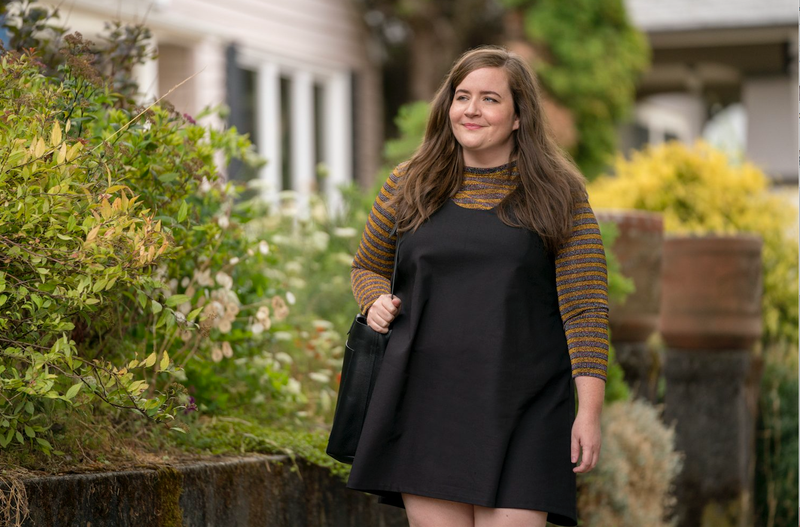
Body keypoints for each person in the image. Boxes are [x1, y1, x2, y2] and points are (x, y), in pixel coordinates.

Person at [345, 46, 608, 527]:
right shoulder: (410, 183)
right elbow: (367, 266)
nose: (471, 109)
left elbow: (586, 308)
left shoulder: (558, 195)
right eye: (462, 96)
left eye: (489, 99)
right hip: (423, 401)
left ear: (518, 116)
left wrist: (588, 412)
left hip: (525, 407)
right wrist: (374, 301)